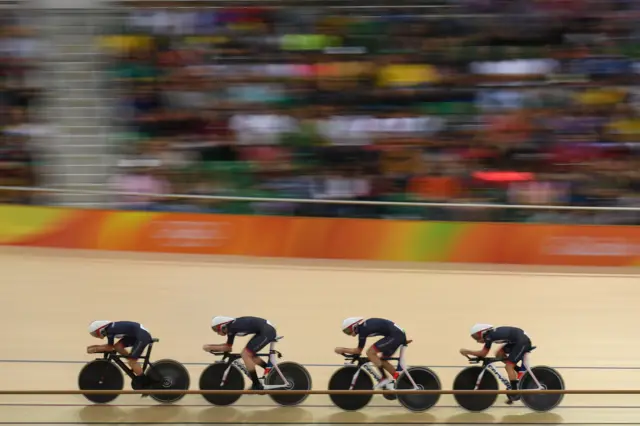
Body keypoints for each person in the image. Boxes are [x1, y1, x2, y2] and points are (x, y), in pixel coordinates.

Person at [460, 323, 532, 403]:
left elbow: (483, 353)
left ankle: (515, 393)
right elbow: (484, 353)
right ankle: (518, 371)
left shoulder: (489, 336)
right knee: (499, 354)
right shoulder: (491, 334)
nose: (477, 340)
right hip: (518, 340)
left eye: (476, 337)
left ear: (482, 332)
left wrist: (467, 351)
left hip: (522, 341)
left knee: (508, 367)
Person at [203, 316, 277, 391]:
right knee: (249, 354)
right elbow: (228, 347)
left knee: (245, 354)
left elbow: (227, 348)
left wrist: (209, 347)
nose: (217, 333)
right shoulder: (231, 327)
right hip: (264, 330)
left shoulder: (232, 327)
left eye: (216, 330)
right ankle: (269, 370)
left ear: (222, 326)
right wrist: (212, 348)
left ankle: (256, 384)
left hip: (267, 331)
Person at [334, 317, 408, 389]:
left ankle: (384, 378)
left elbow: (358, 350)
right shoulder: (363, 327)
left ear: (354, 326)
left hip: (396, 336)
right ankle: (400, 381)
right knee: (382, 360)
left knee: (370, 353)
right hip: (397, 335)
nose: (348, 333)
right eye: (346, 332)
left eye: (348, 330)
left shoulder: (363, 330)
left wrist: (342, 349)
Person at [87, 320, 154, 388]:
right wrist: (96, 347)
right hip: (137, 334)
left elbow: (109, 347)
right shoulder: (110, 328)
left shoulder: (110, 330)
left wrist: (95, 349)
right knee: (118, 347)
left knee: (132, 362)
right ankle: (133, 362)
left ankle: (145, 384)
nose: (96, 336)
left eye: (95, 334)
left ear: (100, 329)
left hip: (142, 336)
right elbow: (112, 347)